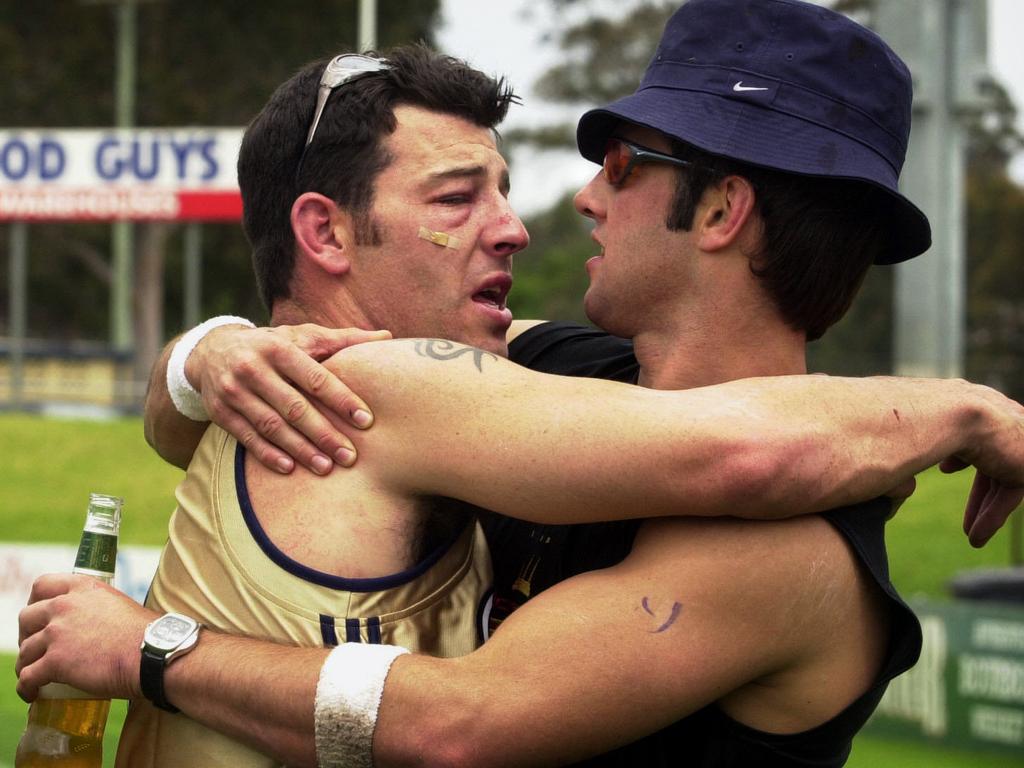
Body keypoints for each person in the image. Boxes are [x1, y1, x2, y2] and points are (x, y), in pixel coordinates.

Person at [17, 2, 1024, 767]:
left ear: (720, 208)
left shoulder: (786, 555)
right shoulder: (547, 375)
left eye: (624, 163)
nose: (579, 200)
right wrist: (208, 352)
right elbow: (328, 347)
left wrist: (151, 648)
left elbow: (461, 724)